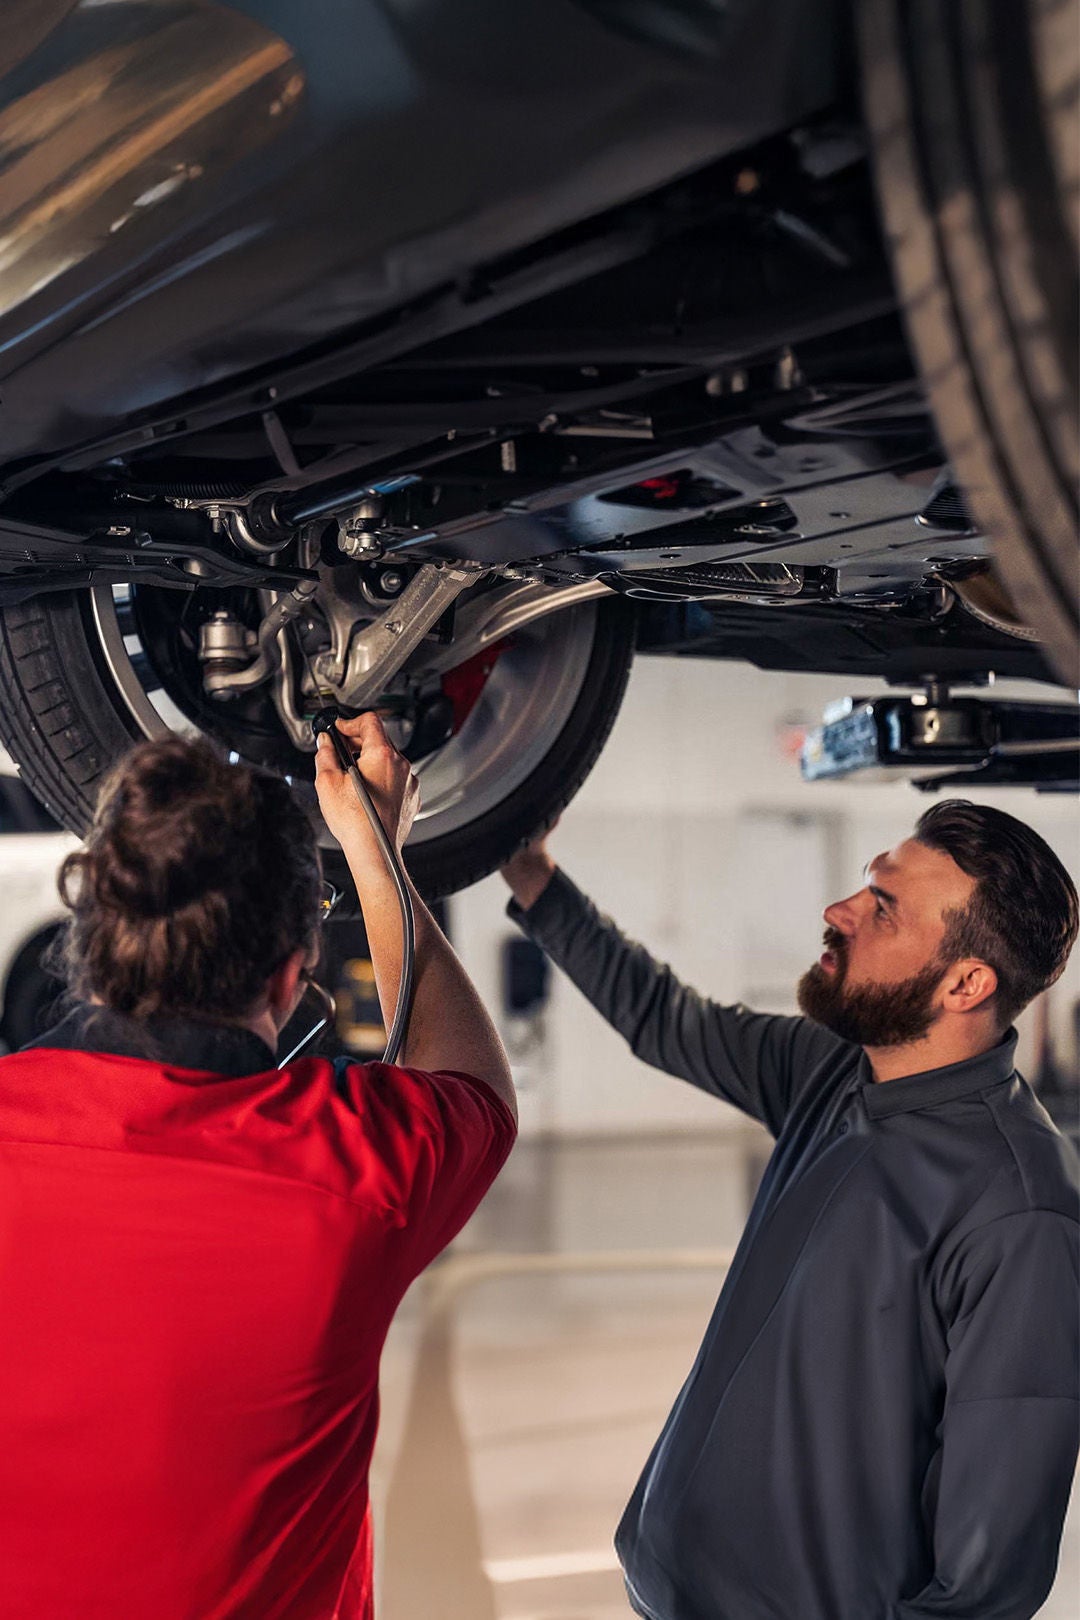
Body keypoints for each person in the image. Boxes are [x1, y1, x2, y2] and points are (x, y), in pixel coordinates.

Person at [502, 799, 1079, 1620]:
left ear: (966, 982)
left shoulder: (1020, 1213)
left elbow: (987, 1587)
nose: (838, 912)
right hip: (668, 1591)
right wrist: (530, 873)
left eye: (881, 909)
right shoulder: (836, 1069)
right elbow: (666, 1020)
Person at [0, 714, 516, 1620]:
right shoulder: (352, 1172)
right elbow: (474, 1080)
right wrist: (374, 847)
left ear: (97, 934)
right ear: (289, 976)